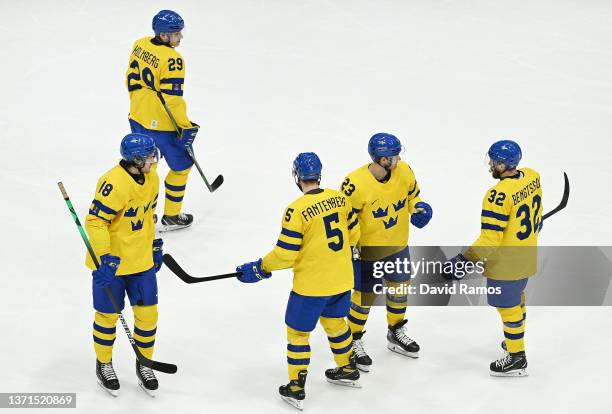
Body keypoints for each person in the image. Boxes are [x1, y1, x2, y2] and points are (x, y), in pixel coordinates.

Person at [236, 153, 362, 410]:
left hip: (311, 287)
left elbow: (285, 253)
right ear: (319, 174)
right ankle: (348, 367)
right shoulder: (340, 199)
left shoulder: (296, 210)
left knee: (298, 333)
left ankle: (296, 386)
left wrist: (260, 268)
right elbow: (354, 233)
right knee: (337, 323)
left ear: (297, 176)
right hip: (341, 279)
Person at [445, 139, 542, 377]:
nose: (490, 165)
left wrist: (464, 260)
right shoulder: (532, 176)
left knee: (507, 308)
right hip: (527, 255)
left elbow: (490, 240)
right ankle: (513, 341)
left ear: (501, 165)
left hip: (506, 265)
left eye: (492, 162)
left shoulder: (497, 195)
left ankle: (517, 357)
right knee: (518, 300)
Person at [340, 133, 433, 372]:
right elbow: (344, 221)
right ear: (382, 160)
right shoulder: (354, 184)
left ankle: (395, 331)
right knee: (363, 299)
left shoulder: (405, 170)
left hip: (398, 247)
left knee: (400, 291)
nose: (399, 158)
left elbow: (413, 196)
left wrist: (420, 208)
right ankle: (353, 339)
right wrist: (350, 249)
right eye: (394, 155)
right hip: (368, 253)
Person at [85, 133, 164, 397]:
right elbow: (96, 222)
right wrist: (104, 257)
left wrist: (154, 244)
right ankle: (104, 363)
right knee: (107, 317)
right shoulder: (113, 183)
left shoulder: (152, 178)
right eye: (150, 156)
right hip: (112, 265)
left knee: (148, 316)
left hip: (141, 261)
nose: (154, 159)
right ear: (137, 160)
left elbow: (149, 213)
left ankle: (145, 362)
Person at [125, 9, 199, 231]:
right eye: (176, 34)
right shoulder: (174, 59)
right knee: (182, 166)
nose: (180, 37)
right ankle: (171, 216)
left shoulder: (140, 44)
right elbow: (172, 100)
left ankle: (144, 216)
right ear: (164, 35)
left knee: (146, 166)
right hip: (163, 126)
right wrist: (185, 126)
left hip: (137, 116)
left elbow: (129, 79)